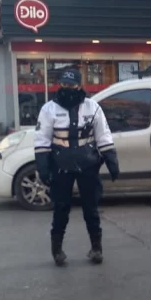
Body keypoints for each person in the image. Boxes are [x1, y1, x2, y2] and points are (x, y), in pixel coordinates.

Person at [34, 68, 119, 266]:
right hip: (60, 165)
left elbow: (103, 136)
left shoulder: (93, 107)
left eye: (71, 85)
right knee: (61, 208)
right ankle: (57, 250)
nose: (67, 88)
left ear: (80, 86)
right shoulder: (49, 109)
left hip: (87, 165)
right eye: (64, 84)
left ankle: (96, 248)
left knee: (91, 208)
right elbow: (42, 139)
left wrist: (111, 161)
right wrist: (43, 167)